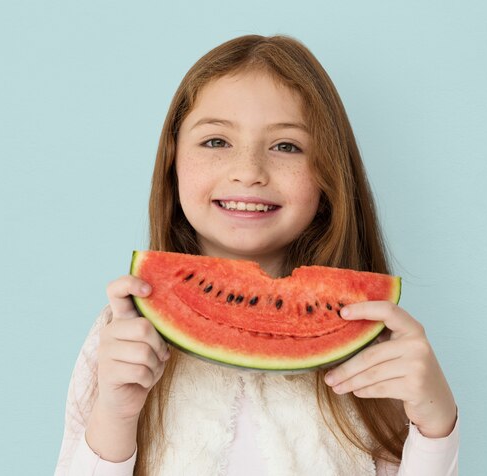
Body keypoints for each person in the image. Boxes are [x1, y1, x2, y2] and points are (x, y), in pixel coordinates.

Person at [55, 35, 459, 476]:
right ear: (172, 160)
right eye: (215, 141)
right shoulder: (122, 337)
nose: (248, 172)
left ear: (327, 174)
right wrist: (115, 413)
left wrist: (435, 428)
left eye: (286, 146)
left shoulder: (376, 346)